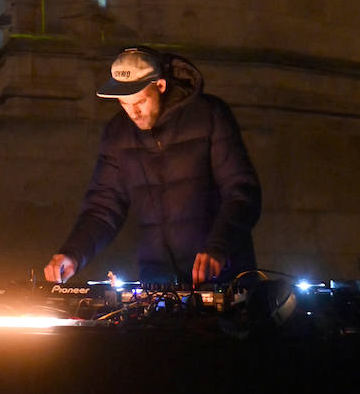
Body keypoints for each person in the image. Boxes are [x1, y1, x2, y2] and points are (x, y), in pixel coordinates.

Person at [44, 47, 261, 287]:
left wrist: (219, 247)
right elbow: (103, 207)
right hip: (157, 284)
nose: (133, 112)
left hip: (224, 279)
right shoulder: (118, 134)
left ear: (160, 86)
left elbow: (242, 192)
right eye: (124, 103)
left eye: (140, 101)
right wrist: (74, 252)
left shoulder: (210, 116)